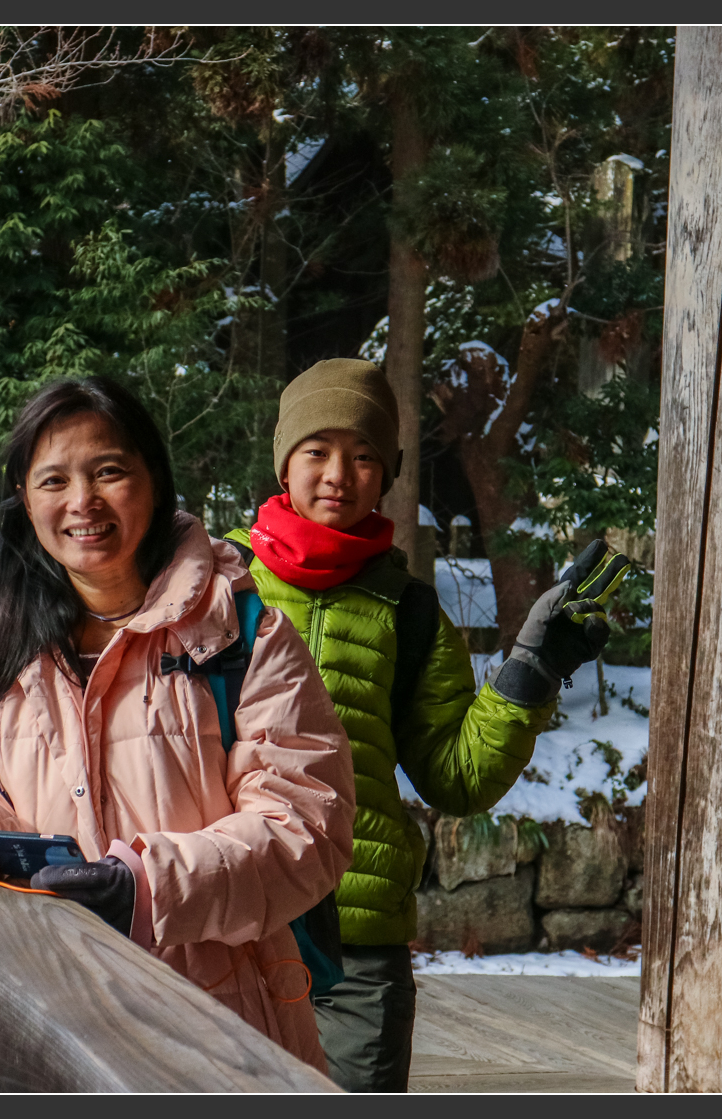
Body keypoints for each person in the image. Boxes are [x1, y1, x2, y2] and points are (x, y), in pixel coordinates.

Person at [0, 375, 356, 1073]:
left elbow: (308, 826)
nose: (82, 501)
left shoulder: (242, 635)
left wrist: (145, 886)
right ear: (25, 500)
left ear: (154, 480)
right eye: (52, 479)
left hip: (215, 1026)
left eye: (108, 471)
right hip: (41, 1010)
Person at [224, 358, 629, 1092]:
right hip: (229, 922)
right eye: (317, 450)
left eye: (364, 455)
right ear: (284, 462)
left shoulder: (408, 612)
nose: (338, 473)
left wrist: (526, 676)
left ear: (390, 472)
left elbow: (458, 777)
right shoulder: (220, 583)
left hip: (359, 946)